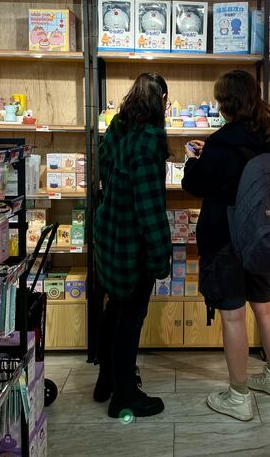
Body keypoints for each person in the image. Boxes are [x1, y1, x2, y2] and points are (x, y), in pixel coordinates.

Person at [182, 70, 270, 422]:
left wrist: (193, 159)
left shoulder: (220, 143)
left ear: (226, 103)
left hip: (225, 236)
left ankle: (238, 396)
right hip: (262, 234)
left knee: (233, 316)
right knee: (265, 308)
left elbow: (196, 185)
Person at [93, 72, 172, 419]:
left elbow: (105, 172)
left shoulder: (117, 128)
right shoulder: (147, 141)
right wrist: (161, 257)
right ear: (160, 103)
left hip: (108, 234)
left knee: (114, 308)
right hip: (130, 243)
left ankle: (106, 378)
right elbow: (149, 207)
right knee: (130, 319)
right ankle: (124, 394)